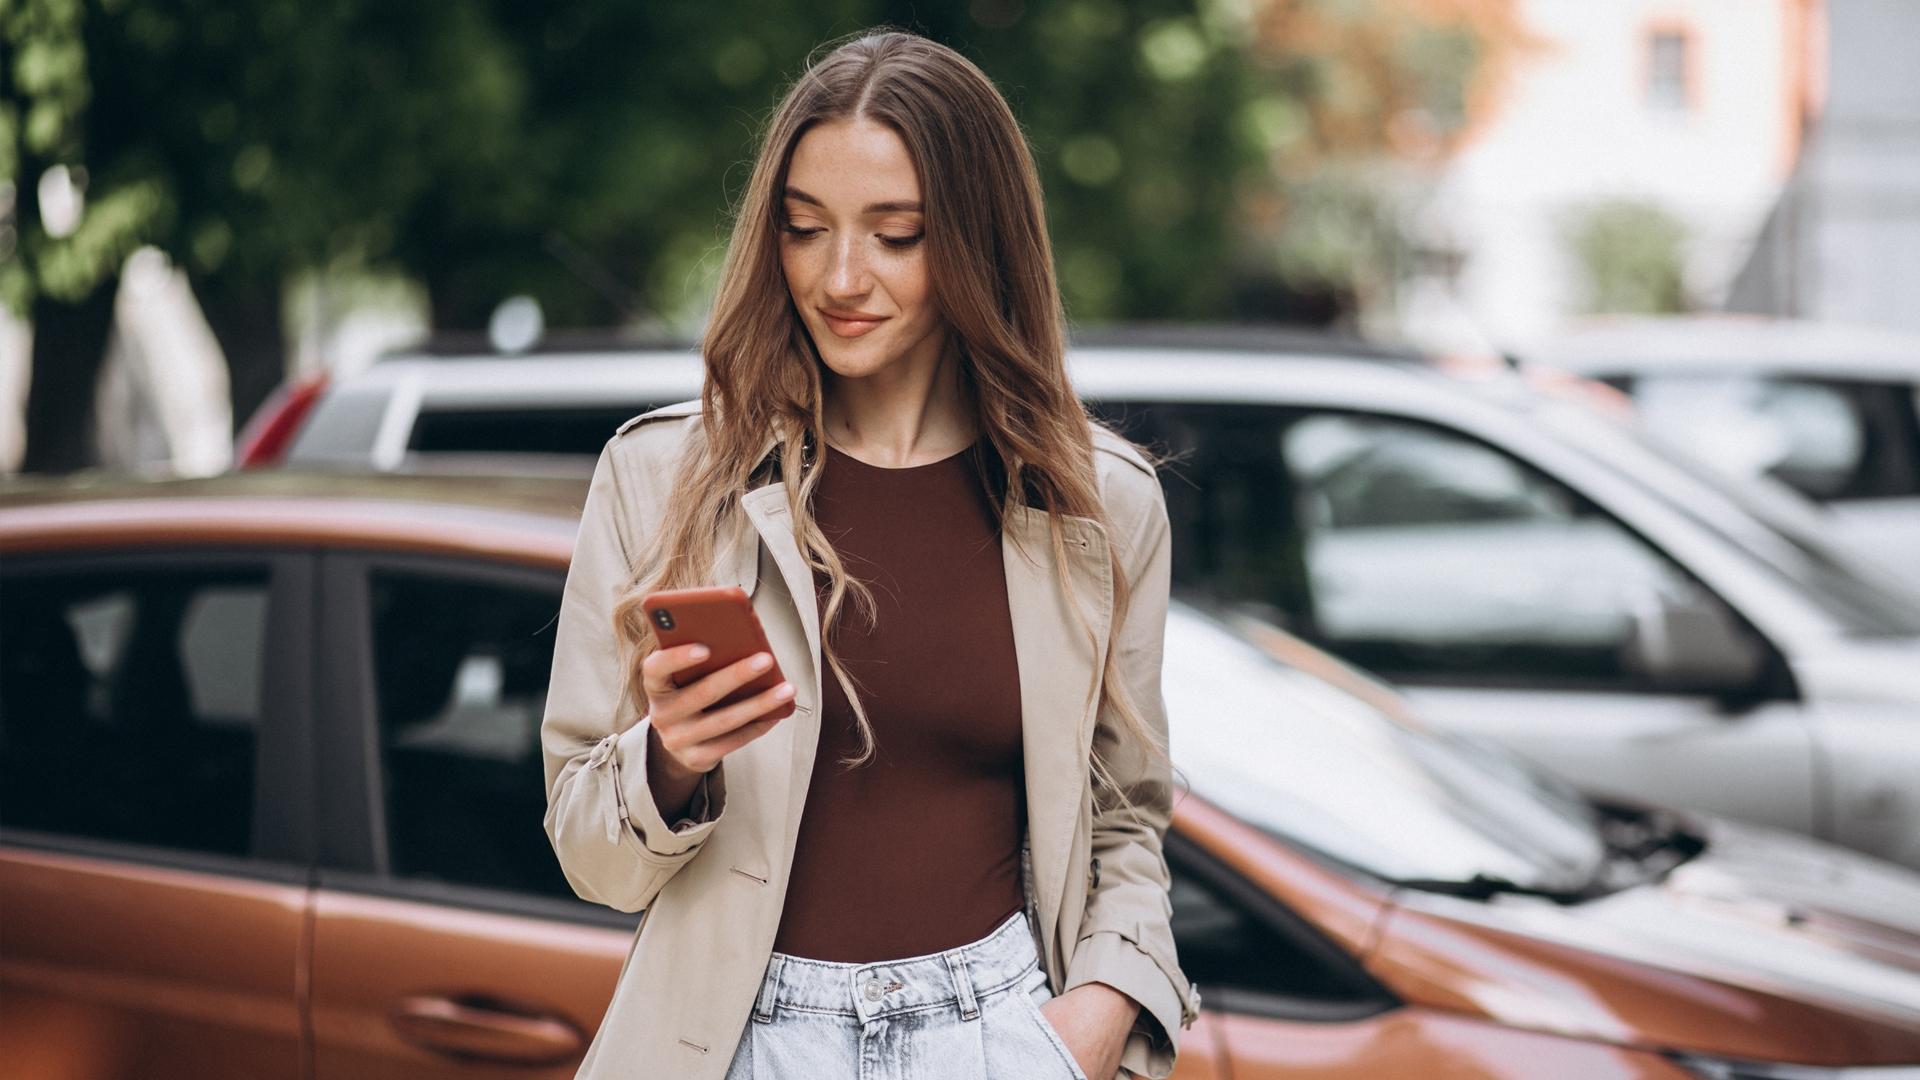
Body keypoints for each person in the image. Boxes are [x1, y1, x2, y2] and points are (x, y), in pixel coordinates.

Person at [539, 27, 1198, 1080]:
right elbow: (587, 852)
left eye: (896, 235)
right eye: (806, 229)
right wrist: (668, 760)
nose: (841, 276)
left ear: (978, 243)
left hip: (1000, 1034)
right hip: (741, 1042)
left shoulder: (1099, 503)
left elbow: (1125, 818)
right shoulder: (665, 476)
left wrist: (1100, 1013)